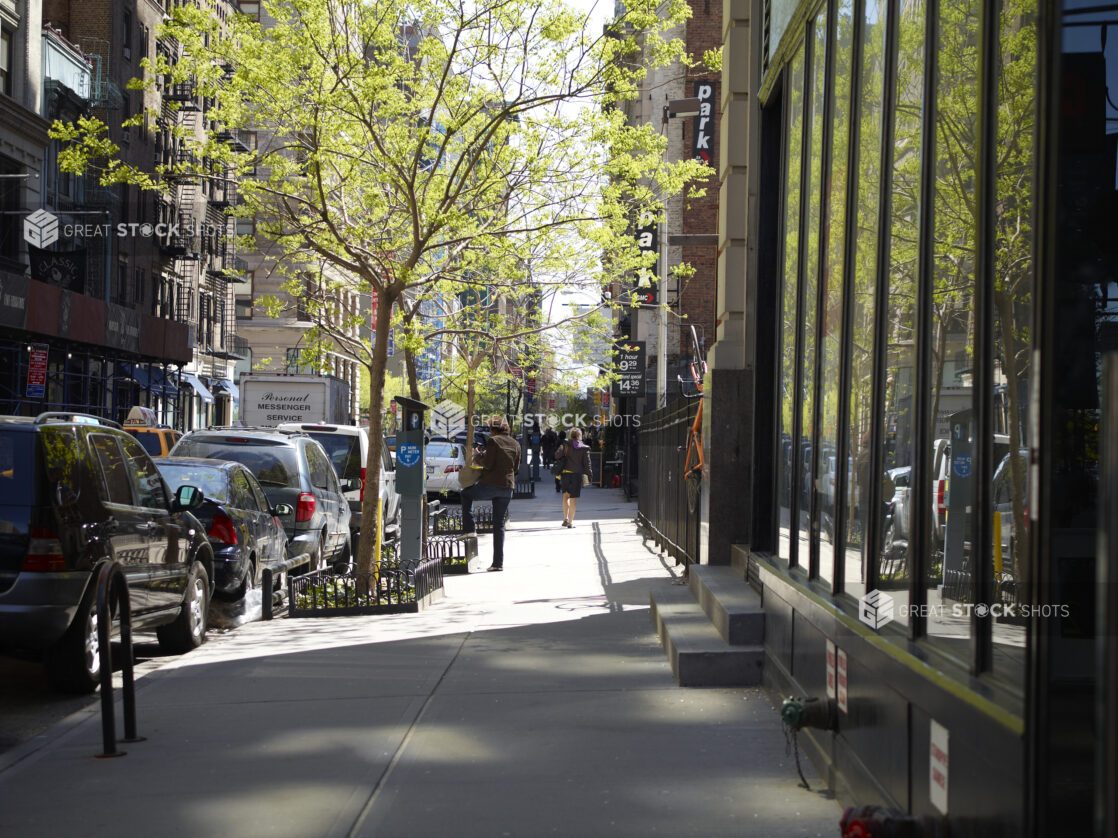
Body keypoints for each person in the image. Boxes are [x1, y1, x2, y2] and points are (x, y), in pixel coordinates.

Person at [461, 415, 521, 572]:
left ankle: (469, 529)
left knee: (466, 494)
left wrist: (478, 454)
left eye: (490, 429)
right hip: (508, 487)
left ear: (494, 429)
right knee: (499, 524)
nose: (490, 432)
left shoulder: (493, 441)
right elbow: (516, 469)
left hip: (491, 484)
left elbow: (487, 464)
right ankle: (497, 563)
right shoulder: (515, 443)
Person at [555, 427, 592, 528]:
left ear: (571, 435)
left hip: (566, 475)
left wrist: (563, 449)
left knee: (566, 496)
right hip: (576, 476)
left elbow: (556, 455)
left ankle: (565, 519)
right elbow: (587, 464)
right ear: (580, 436)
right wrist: (590, 475)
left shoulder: (565, 445)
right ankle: (570, 523)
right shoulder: (584, 448)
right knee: (573, 499)